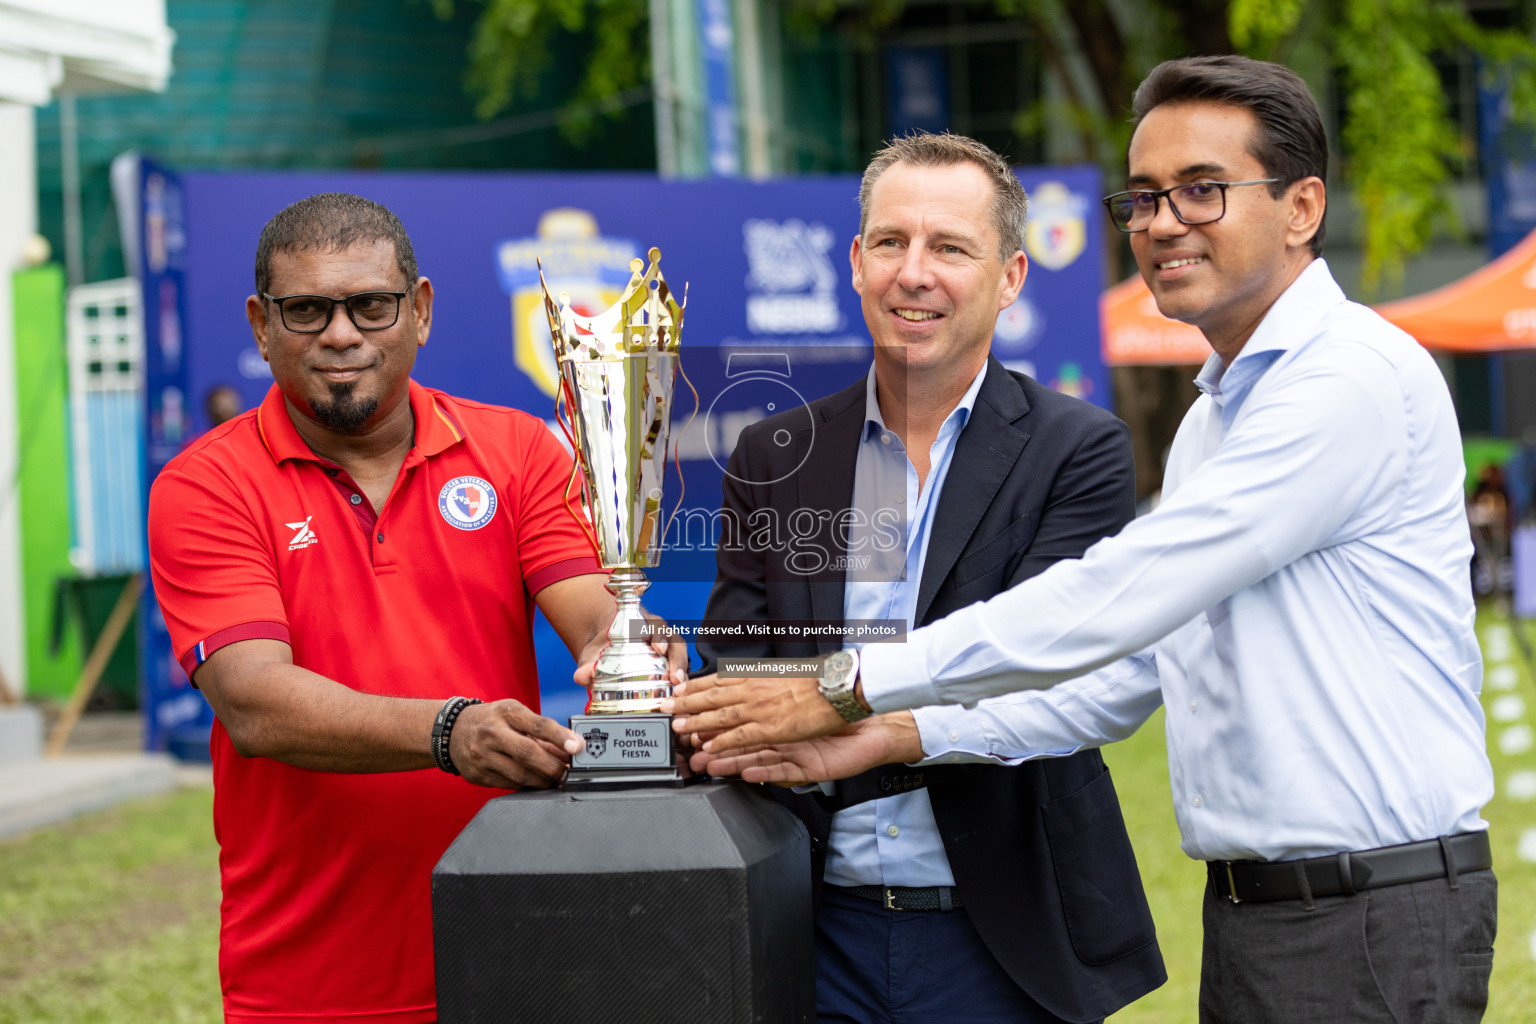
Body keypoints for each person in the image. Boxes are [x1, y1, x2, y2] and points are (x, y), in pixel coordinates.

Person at [671, 56, 1498, 1023]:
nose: (1162, 223)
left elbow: (1124, 594)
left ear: (1302, 206)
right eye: (1143, 198)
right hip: (1261, 912)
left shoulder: (1348, 376)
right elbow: (1125, 673)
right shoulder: (1215, 419)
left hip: (1368, 911)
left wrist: (847, 686)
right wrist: (892, 736)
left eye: (1201, 191)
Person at [147, 193, 682, 1024]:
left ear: (420, 311)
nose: (341, 333)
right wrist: (449, 731)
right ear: (261, 325)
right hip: (313, 978)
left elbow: (592, 611)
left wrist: (634, 646)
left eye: (370, 305)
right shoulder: (205, 486)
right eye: (306, 310)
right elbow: (254, 703)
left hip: (526, 945)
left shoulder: (515, 451)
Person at [695, 132, 1164, 1023]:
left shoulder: (1077, 451)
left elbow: (1046, 669)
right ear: (856, 263)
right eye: (890, 242)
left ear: (1012, 276)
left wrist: (853, 718)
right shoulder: (776, 452)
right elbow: (738, 671)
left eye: (950, 247)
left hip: (1003, 940)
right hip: (810, 929)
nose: (915, 273)